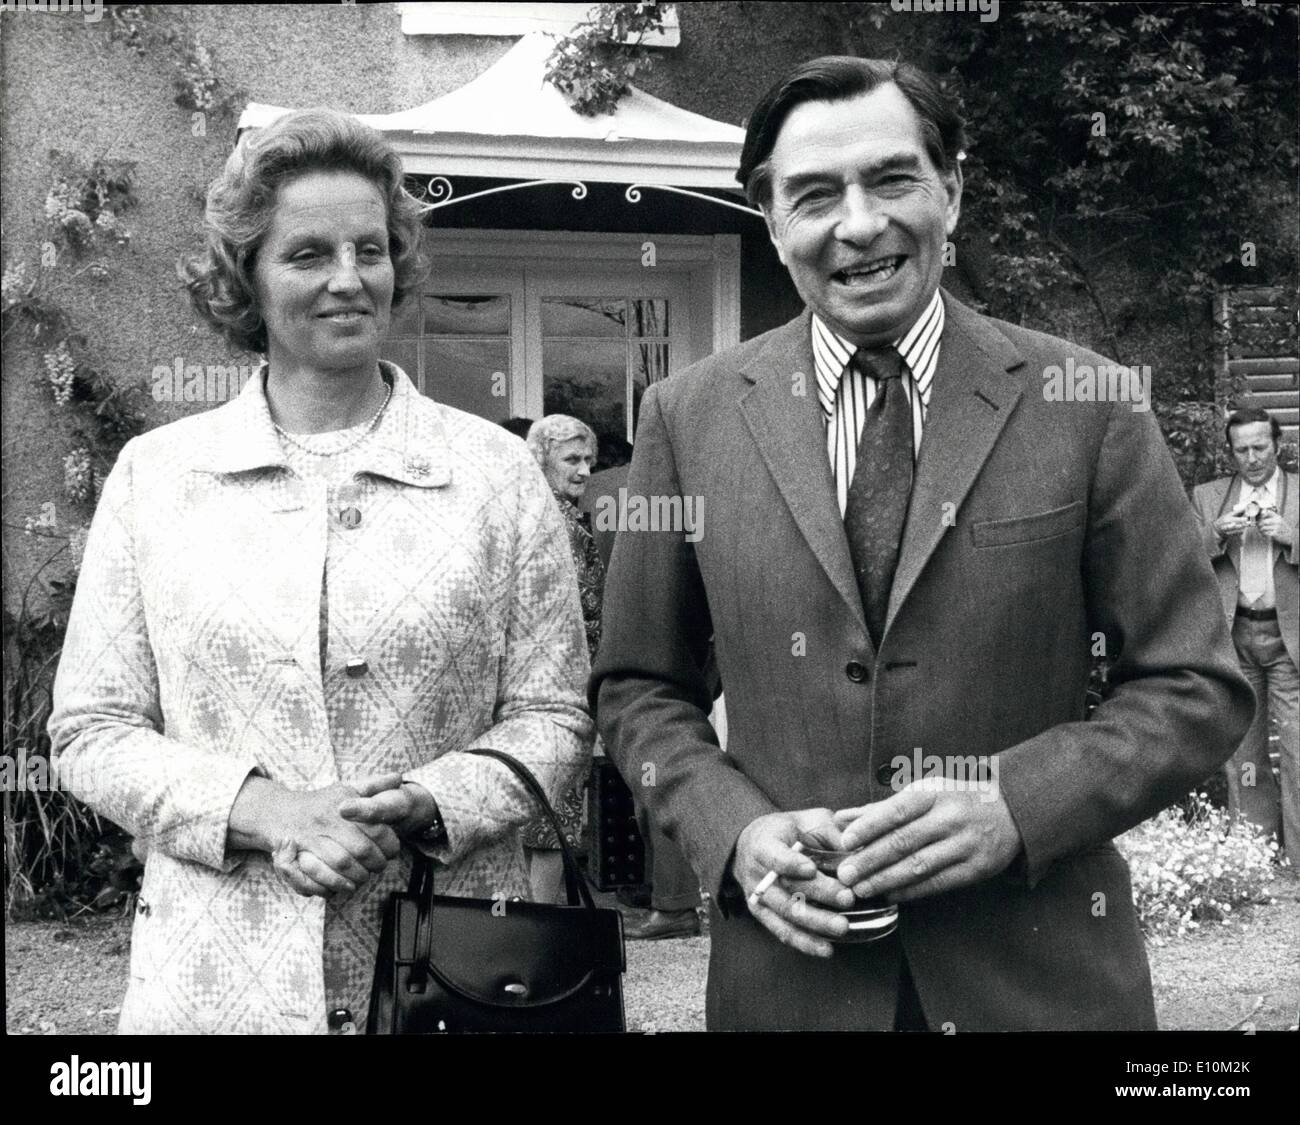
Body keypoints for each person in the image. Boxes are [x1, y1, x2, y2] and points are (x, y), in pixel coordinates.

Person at [591, 56, 1253, 1031]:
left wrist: (1019, 805)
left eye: (891, 179)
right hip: (788, 993)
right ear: (771, 223)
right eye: (813, 195)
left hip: (1041, 990)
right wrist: (733, 832)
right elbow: (638, 688)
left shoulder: (1089, 404)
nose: (857, 225)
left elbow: (1196, 686)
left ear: (951, 191)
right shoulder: (686, 419)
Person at [48, 109, 593, 1034]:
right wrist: (263, 810)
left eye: (369, 249)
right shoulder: (158, 475)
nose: (348, 278)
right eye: (307, 254)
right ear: (245, 278)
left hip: (452, 980)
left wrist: (426, 800)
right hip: (216, 984)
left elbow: (554, 718)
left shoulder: (494, 473)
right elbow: (91, 730)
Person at [1192, 407, 1298, 865]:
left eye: (1260, 447)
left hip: (1290, 638)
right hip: (1235, 638)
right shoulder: (1209, 496)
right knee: (1245, 757)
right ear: (1231, 451)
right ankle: (1256, 861)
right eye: (1242, 450)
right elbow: (1179, 558)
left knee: (1297, 750)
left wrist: (1293, 536)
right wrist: (1215, 533)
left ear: (1277, 444)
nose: (1252, 458)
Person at [520, 415, 604, 901]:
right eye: (572, 459)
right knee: (555, 821)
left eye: (589, 460)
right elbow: (583, 612)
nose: (585, 471)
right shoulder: (561, 524)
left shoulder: (531, 515)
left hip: (531, 689)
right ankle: (539, 936)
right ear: (540, 461)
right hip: (561, 690)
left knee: (532, 814)